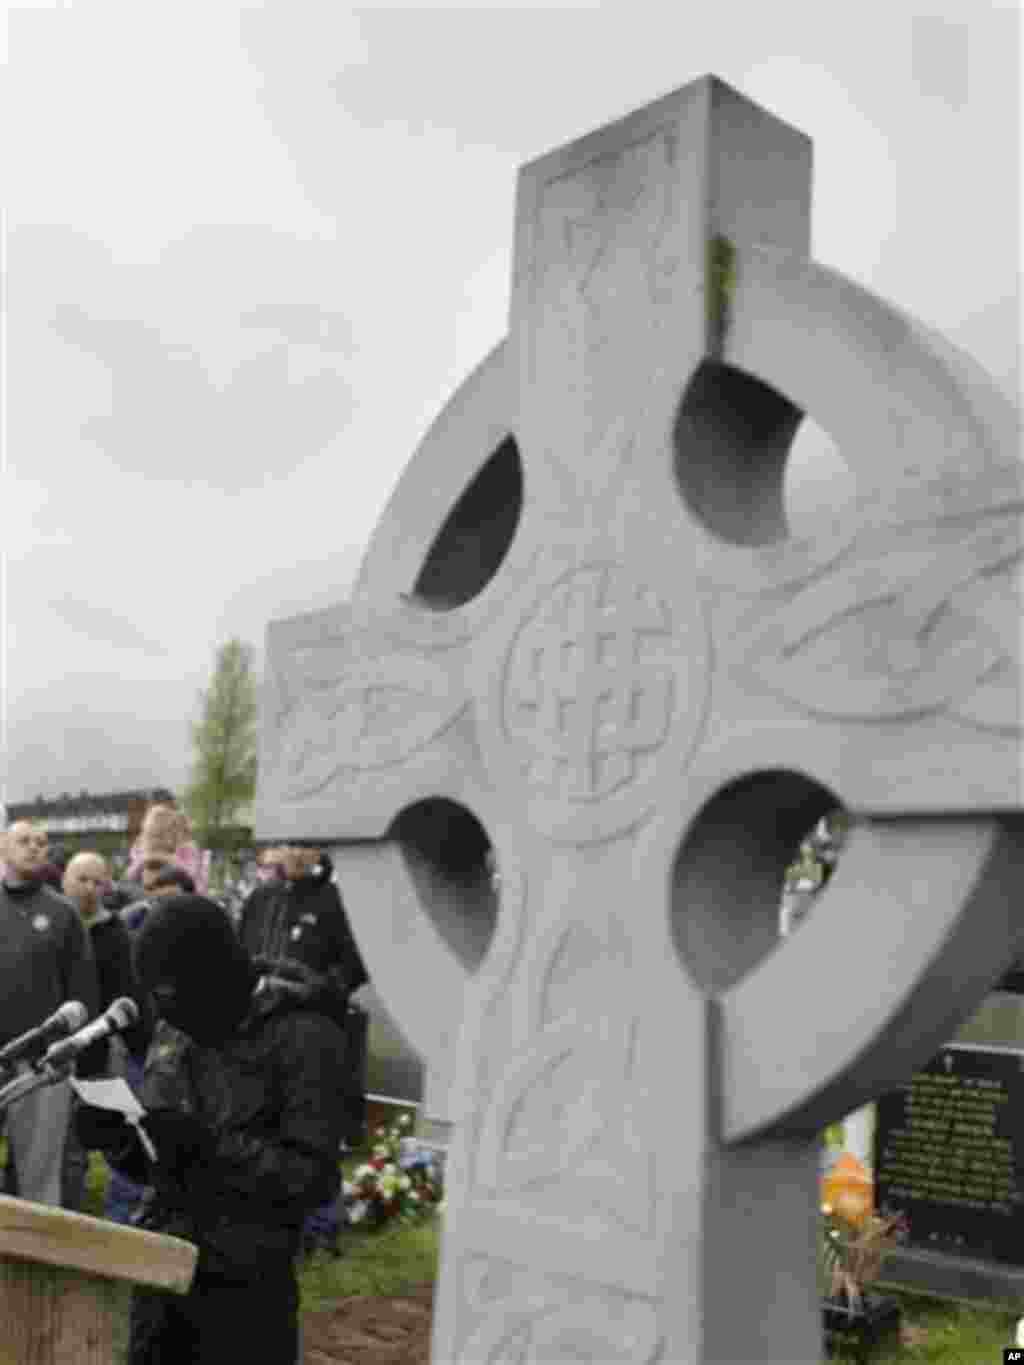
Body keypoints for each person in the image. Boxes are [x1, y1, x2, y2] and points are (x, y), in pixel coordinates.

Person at [75, 895, 348, 1363]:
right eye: (156, 997)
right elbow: (161, 1159)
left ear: (212, 977)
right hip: (162, 1271)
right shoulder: (176, 1028)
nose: (165, 1010)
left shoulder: (303, 1034)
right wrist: (120, 1140)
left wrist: (210, 1146)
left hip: (245, 1290)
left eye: (171, 995)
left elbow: (314, 1179)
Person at [238, 845, 369, 1255]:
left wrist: (311, 988)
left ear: (318, 850)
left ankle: (321, 1226)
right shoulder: (261, 898)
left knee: (313, 1128)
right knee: (266, 1126)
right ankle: (270, 1219)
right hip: (261, 1029)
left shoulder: (336, 900)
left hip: (315, 1034)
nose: (294, 852)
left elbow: (355, 967)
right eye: (287, 844)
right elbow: (242, 954)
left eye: (303, 844)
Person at [0, 820, 100, 1206]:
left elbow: (83, 994)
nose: (34, 848)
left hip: (40, 1068)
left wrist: (68, 1054)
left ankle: (32, 1262)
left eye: (41, 843)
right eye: (24, 841)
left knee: (38, 1182)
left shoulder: (63, 914)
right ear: (4, 848)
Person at [59, 852, 152, 1212]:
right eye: (82, 879)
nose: (89, 888)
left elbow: (128, 995)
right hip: (44, 1044)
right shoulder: (52, 922)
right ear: (65, 880)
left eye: (98, 882)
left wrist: (135, 1050)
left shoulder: (116, 935)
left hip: (92, 1052)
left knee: (76, 1145)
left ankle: (68, 1217)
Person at [125, 803, 209, 894]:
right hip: (150, 894)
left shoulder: (185, 849)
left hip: (182, 894)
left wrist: (169, 858)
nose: (156, 841)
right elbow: (130, 874)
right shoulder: (142, 851)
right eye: (152, 835)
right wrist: (145, 859)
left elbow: (191, 874)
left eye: (162, 835)